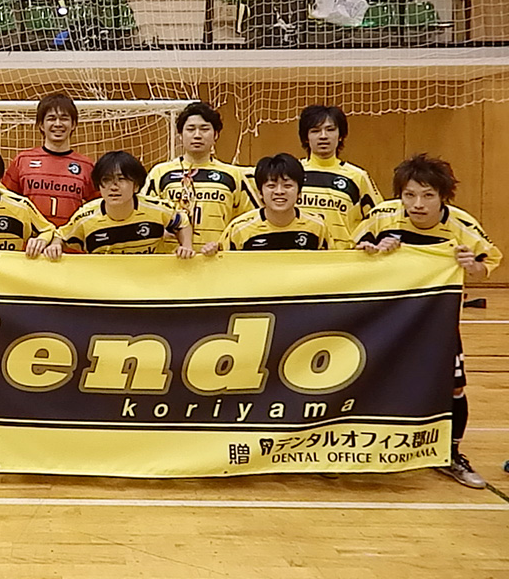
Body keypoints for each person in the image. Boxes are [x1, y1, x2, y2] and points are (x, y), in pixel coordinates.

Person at [353, 153, 502, 489]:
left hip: (436, 323)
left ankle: (451, 454)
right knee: (370, 380)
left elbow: (486, 265)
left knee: (454, 387)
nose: (417, 204)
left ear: (443, 196)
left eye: (427, 195)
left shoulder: (463, 227)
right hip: (385, 321)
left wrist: (472, 265)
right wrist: (373, 248)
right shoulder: (382, 218)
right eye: (409, 195)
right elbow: (352, 252)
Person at [144, 101, 258, 250]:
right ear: (180, 135)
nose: (197, 135)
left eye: (204, 129)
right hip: (169, 260)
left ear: (215, 135)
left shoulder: (233, 175)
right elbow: (142, 214)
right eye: (190, 129)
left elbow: (253, 219)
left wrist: (222, 244)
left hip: (216, 260)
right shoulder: (160, 173)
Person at [58, 151, 194, 256]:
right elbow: (60, 237)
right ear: (99, 186)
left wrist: (186, 246)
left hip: (151, 280)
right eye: (107, 180)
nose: (114, 187)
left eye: (121, 179)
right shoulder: (85, 217)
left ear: (136, 186)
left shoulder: (156, 208)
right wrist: (55, 246)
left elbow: (182, 222)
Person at [2, 93, 97, 227]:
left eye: (64, 118)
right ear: (41, 125)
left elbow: (97, 206)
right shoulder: (22, 160)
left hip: (70, 240)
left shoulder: (87, 166)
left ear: (74, 124)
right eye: (51, 118)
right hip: (32, 239)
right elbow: (7, 200)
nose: (58, 124)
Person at [297, 104, 382, 249]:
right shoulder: (293, 174)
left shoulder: (357, 176)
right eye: (315, 131)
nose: (323, 136)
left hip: (343, 258)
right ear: (306, 138)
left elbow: (378, 217)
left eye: (330, 130)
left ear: (341, 136)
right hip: (301, 257)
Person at [209, 153, 330, 253]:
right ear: (260, 192)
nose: (279, 192)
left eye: (287, 186)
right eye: (271, 186)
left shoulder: (318, 227)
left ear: (299, 192)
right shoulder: (239, 229)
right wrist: (211, 252)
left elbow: (331, 266)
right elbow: (222, 266)